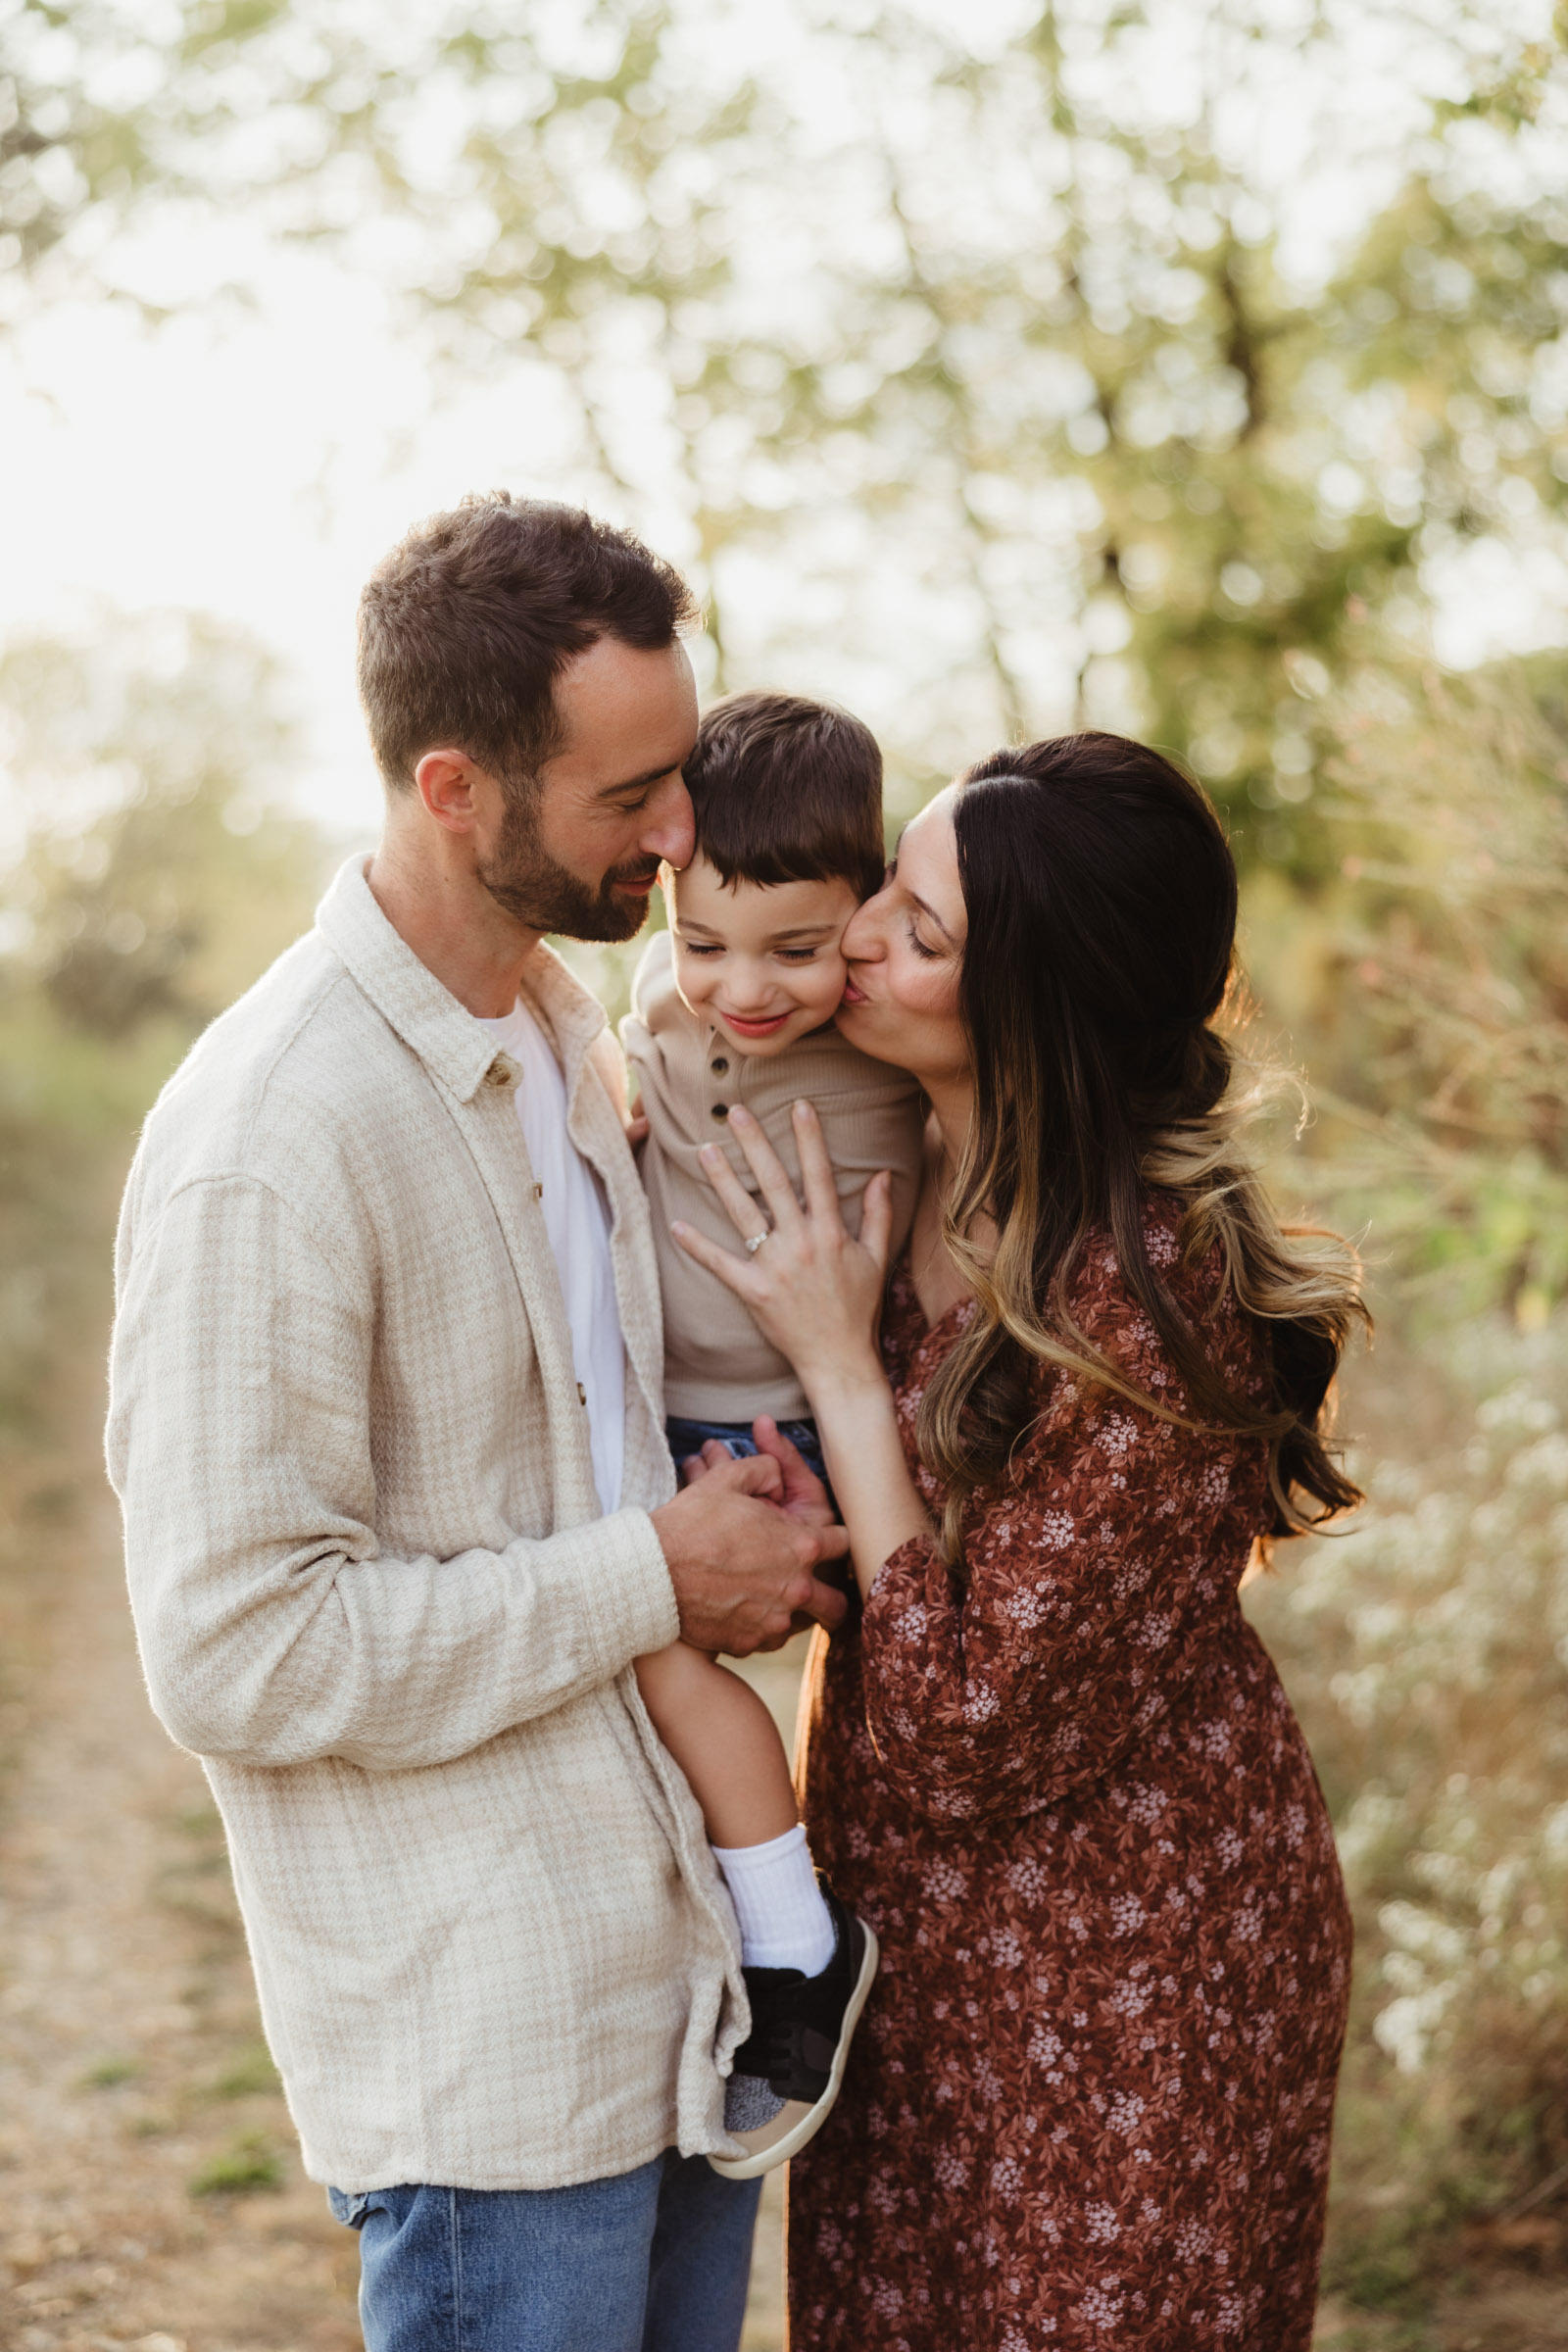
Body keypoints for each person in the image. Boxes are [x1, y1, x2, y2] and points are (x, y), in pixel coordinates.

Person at [104, 493, 851, 2352]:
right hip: (486, 2070)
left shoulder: (569, 1035)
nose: (682, 834)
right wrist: (654, 1574)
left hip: (672, 1997)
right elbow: (235, 1650)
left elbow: (577, 1456)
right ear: (456, 791)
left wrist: (730, 1505)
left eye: (679, 772)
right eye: (629, 798)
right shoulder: (273, 1140)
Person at [672, 733, 1368, 2350]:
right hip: (918, 1962)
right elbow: (908, 1567)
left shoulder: (1151, 1282)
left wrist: (841, 1366)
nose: (858, 943)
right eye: (889, 896)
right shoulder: (892, 1160)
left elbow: (970, 1726)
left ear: (1033, 1006)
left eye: (916, 930)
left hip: (1130, 1970)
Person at [622, 691, 926, 2176]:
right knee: (653, 1655)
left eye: (796, 950)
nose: (743, 988)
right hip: (673, 1416)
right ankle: (773, 1936)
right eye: (704, 944)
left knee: (861, 1680)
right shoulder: (649, 1021)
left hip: (822, 1420)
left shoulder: (894, 1052)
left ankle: (798, 1946)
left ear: (862, 920)